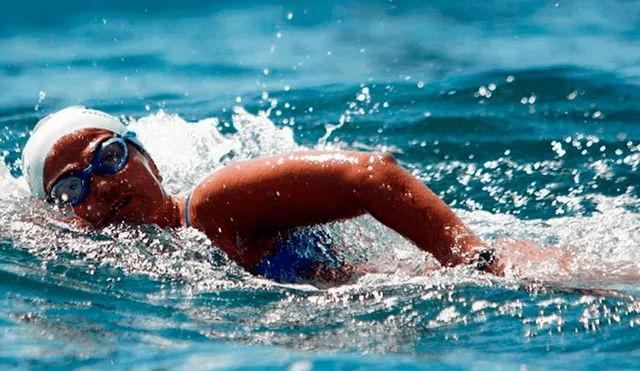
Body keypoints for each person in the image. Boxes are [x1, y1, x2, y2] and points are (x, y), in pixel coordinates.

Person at [21, 106, 561, 283]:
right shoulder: (137, 256)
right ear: (66, 215)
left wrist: (473, 261)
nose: (103, 184)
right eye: (73, 187)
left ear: (147, 158)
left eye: (110, 157)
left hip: (503, 278)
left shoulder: (210, 206)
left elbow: (369, 174)